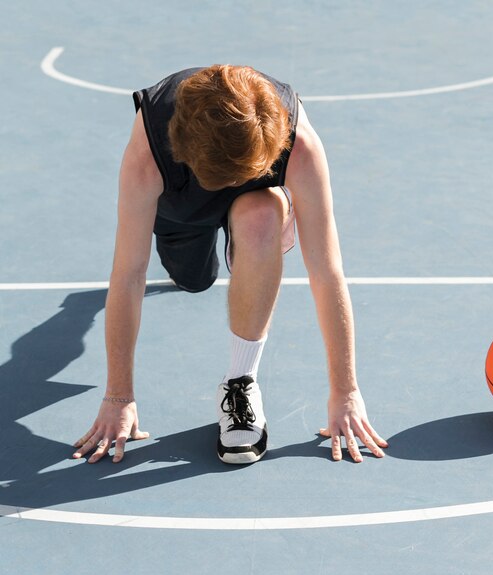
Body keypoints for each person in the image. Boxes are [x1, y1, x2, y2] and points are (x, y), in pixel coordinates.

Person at [72, 64, 388, 465]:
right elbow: (129, 273)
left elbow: (327, 272)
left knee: (260, 218)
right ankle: (217, 255)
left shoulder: (299, 143)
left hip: (259, 200)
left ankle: (241, 380)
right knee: (194, 280)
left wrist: (346, 392)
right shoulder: (149, 150)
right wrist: (119, 397)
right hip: (181, 207)